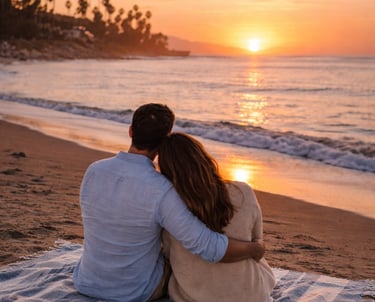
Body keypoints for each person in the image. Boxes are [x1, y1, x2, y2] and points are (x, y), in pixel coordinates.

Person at [73, 103, 266, 302]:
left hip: (87, 281)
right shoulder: (162, 189)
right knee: (177, 251)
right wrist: (256, 248)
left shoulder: (94, 170)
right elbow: (209, 248)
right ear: (166, 139)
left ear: (130, 131)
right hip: (134, 292)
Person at [158, 132, 276, 302]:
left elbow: (168, 254)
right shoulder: (243, 192)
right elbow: (257, 242)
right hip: (251, 296)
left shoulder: (170, 205)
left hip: (194, 297)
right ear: (203, 158)